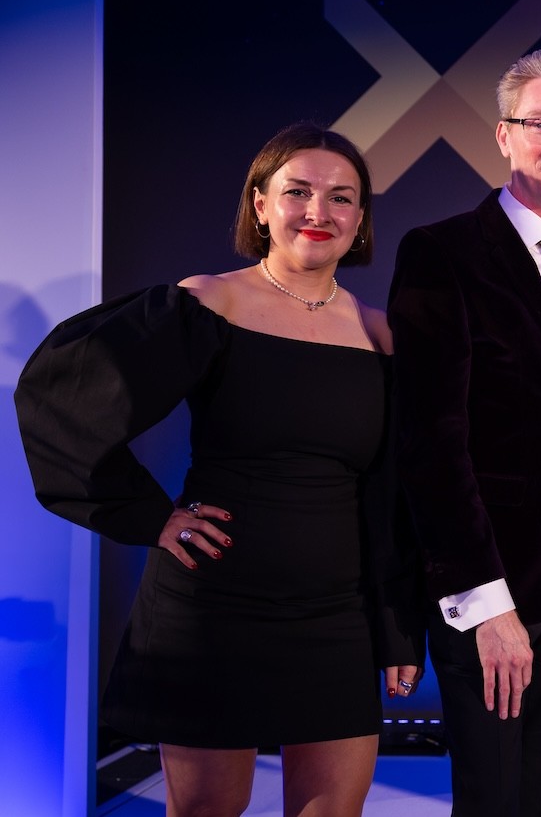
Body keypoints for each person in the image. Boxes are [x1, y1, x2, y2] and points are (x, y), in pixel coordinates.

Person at [13, 122, 426, 816]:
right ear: (260, 205)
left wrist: (396, 626)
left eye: (341, 198)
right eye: (297, 192)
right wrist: (150, 517)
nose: (318, 213)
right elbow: (63, 398)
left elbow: (393, 499)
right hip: (213, 609)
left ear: (361, 221)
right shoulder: (208, 303)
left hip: (338, 615)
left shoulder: (381, 334)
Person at [386, 49, 541, 817]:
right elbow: (430, 443)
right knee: (494, 798)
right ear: (503, 135)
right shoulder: (442, 253)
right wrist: (485, 603)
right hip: (490, 582)